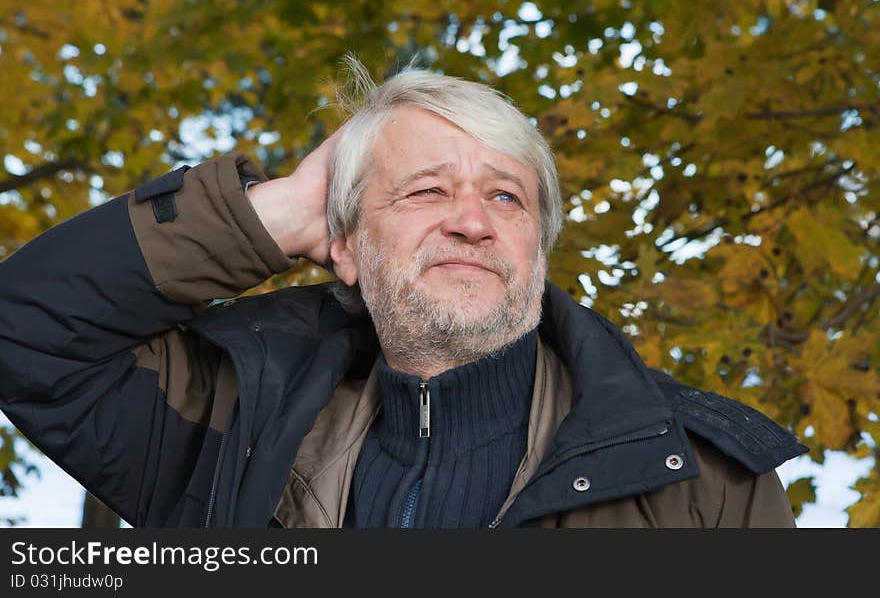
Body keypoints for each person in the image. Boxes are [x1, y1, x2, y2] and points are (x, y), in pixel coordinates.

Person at [0, 59, 806, 528]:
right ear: (342, 244)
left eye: (505, 197)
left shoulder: (704, 479)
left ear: (538, 246)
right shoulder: (223, 426)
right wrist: (272, 213)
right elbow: (25, 329)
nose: (471, 222)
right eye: (425, 191)